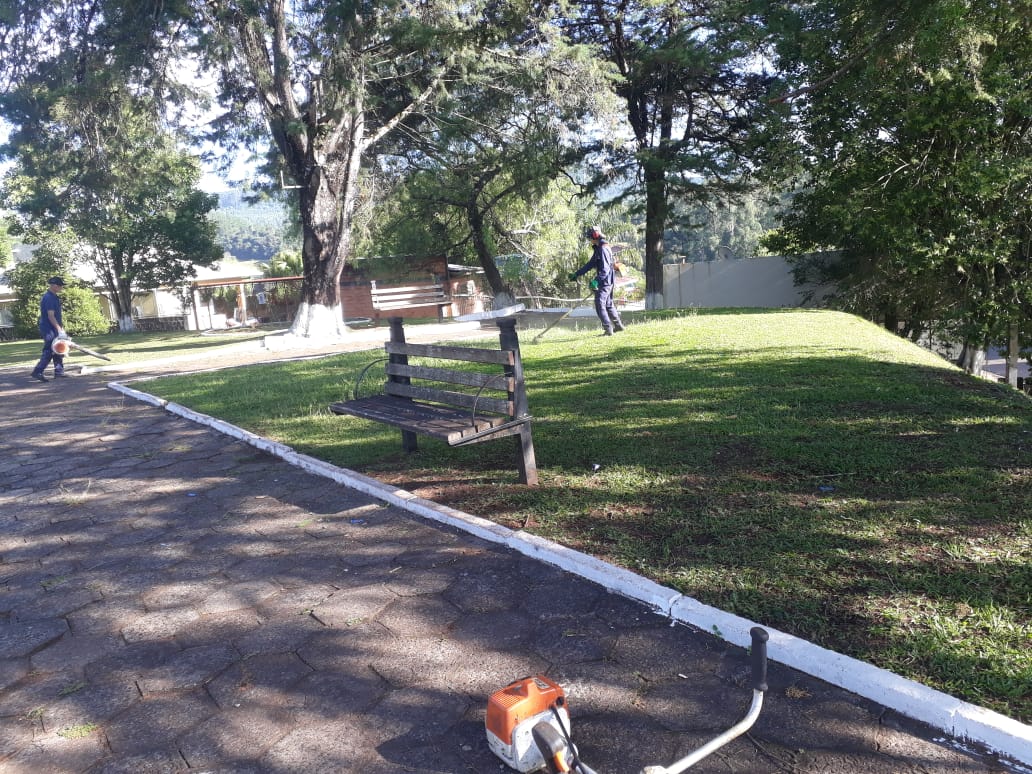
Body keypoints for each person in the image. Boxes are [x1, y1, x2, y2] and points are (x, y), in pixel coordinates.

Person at [568, 225, 625, 336]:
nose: (589, 240)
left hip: (605, 281)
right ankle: (618, 326)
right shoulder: (600, 248)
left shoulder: (603, 249)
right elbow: (591, 264)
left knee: (600, 303)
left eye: (590, 237)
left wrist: (596, 281)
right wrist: (577, 274)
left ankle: (608, 329)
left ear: (595, 237)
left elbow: (605, 269)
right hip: (608, 280)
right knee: (608, 304)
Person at [30, 276, 68, 382]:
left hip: (53, 327)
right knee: (50, 350)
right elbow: (51, 316)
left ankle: (59, 371)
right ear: (55, 286)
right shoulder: (49, 298)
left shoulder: (54, 297)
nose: (61, 288)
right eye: (60, 286)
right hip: (48, 328)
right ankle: (37, 371)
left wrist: (61, 329)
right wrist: (59, 330)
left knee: (59, 348)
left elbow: (56, 316)